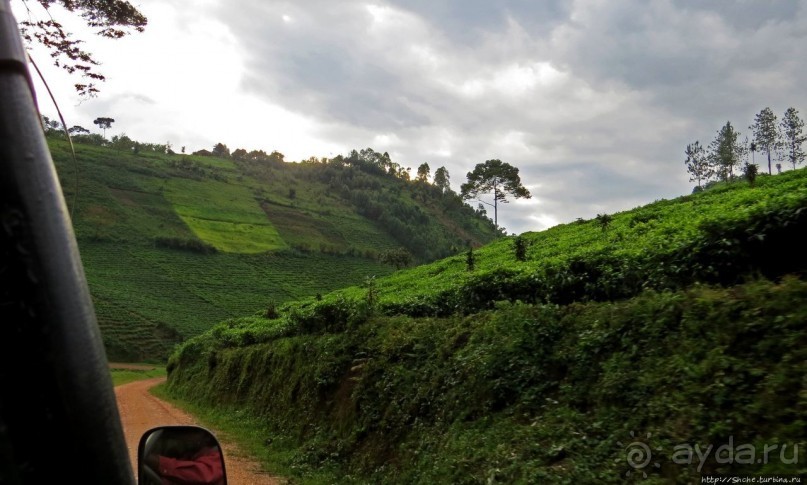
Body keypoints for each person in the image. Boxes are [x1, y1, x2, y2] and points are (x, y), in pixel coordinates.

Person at [143, 428, 225, 485]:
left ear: (206, 437)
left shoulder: (217, 456)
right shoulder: (190, 454)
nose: (184, 438)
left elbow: (201, 474)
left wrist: (155, 460)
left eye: (190, 433)